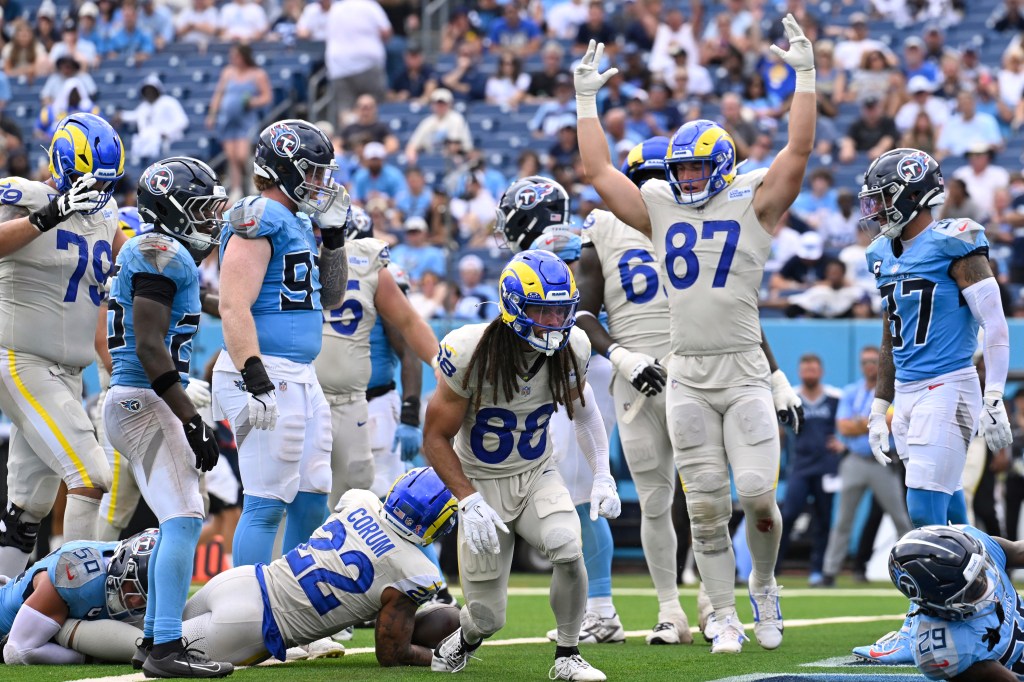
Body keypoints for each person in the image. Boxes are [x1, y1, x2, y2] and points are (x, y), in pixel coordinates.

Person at [573, 13, 815, 654]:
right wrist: (586, 100)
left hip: (741, 372)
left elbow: (798, 154)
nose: (684, 178)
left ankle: (764, 588)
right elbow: (599, 171)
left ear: (725, 164)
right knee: (703, 508)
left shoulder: (750, 202)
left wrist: (806, 80)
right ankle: (725, 618)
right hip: (685, 373)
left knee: (758, 497)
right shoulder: (658, 209)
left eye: (696, 167)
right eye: (678, 169)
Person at [425, 249, 620, 681]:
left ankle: (567, 655)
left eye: (560, 311)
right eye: (542, 311)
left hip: (535, 473)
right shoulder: (469, 350)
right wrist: (467, 499)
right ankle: (464, 639)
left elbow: (584, 412)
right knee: (487, 617)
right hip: (481, 482)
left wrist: (602, 472)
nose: (553, 322)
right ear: (514, 307)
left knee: (568, 549)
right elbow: (434, 438)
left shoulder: (574, 346)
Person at [853, 147, 1013, 664]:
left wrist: (995, 394)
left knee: (922, 512)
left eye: (883, 198)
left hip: (951, 383)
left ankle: (921, 620)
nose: (875, 209)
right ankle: (999, 604)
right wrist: (879, 407)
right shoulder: (882, 253)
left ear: (912, 194)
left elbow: (995, 321)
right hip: (910, 393)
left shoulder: (955, 240)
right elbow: (891, 334)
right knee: (949, 509)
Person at [104, 156, 233, 678]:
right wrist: (191, 418)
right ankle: (164, 649)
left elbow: (190, 307)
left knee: (175, 517)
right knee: (183, 519)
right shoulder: (162, 252)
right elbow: (152, 345)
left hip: (132, 399)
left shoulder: (154, 252)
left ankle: (155, 639)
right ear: (174, 209)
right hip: (145, 399)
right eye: (200, 209)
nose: (207, 219)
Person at [140, 468, 456, 666]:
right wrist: (439, 658)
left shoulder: (361, 500)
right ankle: (87, 639)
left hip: (241, 580)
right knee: (159, 658)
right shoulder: (416, 571)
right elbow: (391, 654)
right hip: (251, 625)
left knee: (150, 640)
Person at [212, 120, 349, 572]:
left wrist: (333, 239)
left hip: (299, 374)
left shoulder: (296, 220)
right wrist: (254, 374)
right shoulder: (260, 215)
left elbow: (331, 296)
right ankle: (247, 616)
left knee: (312, 494)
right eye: (312, 172)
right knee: (267, 500)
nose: (320, 183)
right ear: (284, 169)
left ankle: (295, 611)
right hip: (265, 370)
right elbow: (233, 305)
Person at [0, 113, 125, 579]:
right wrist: (49, 214)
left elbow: (122, 256)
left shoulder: (107, 213)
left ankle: (4, 613)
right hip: (22, 360)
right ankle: (72, 605)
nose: (101, 191)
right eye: (93, 179)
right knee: (92, 476)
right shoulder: (26, 195)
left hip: (67, 375)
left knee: (28, 505)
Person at [314, 205, 439, 509]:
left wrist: (410, 412)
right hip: (324, 400)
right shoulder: (311, 268)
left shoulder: (380, 276)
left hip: (373, 402)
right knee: (328, 499)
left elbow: (407, 343)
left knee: (386, 506)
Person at [0, 530, 157, 666]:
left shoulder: (128, 556)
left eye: (146, 596)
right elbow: (17, 651)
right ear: (121, 568)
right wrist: (91, 656)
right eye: (134, 588)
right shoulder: (77, 576)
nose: (136, 601)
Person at [888, 524, 1024, 680]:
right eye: (973, 588)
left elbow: (1018, 550)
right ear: (937, 604)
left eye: (981, 569)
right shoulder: (946, 647)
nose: (984, 580)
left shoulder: (975, 544)